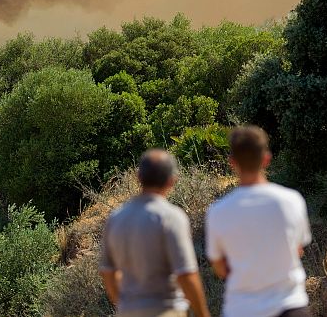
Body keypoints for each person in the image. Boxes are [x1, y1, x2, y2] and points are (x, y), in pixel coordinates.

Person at [205, 125, 312, 317]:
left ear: (232, 162)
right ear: (266, 159)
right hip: (290, 305)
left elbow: (219, 267)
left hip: (242, 309)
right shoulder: (292, 200)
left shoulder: (218, 211)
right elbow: (298, 249)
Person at [99, 149, 211, 317]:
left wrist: (124, 304)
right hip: (165, 309)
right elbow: (186, 274)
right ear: (172, 180)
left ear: (138, 177)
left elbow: (108, 272)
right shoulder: (171, 217)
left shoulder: (115, 218)